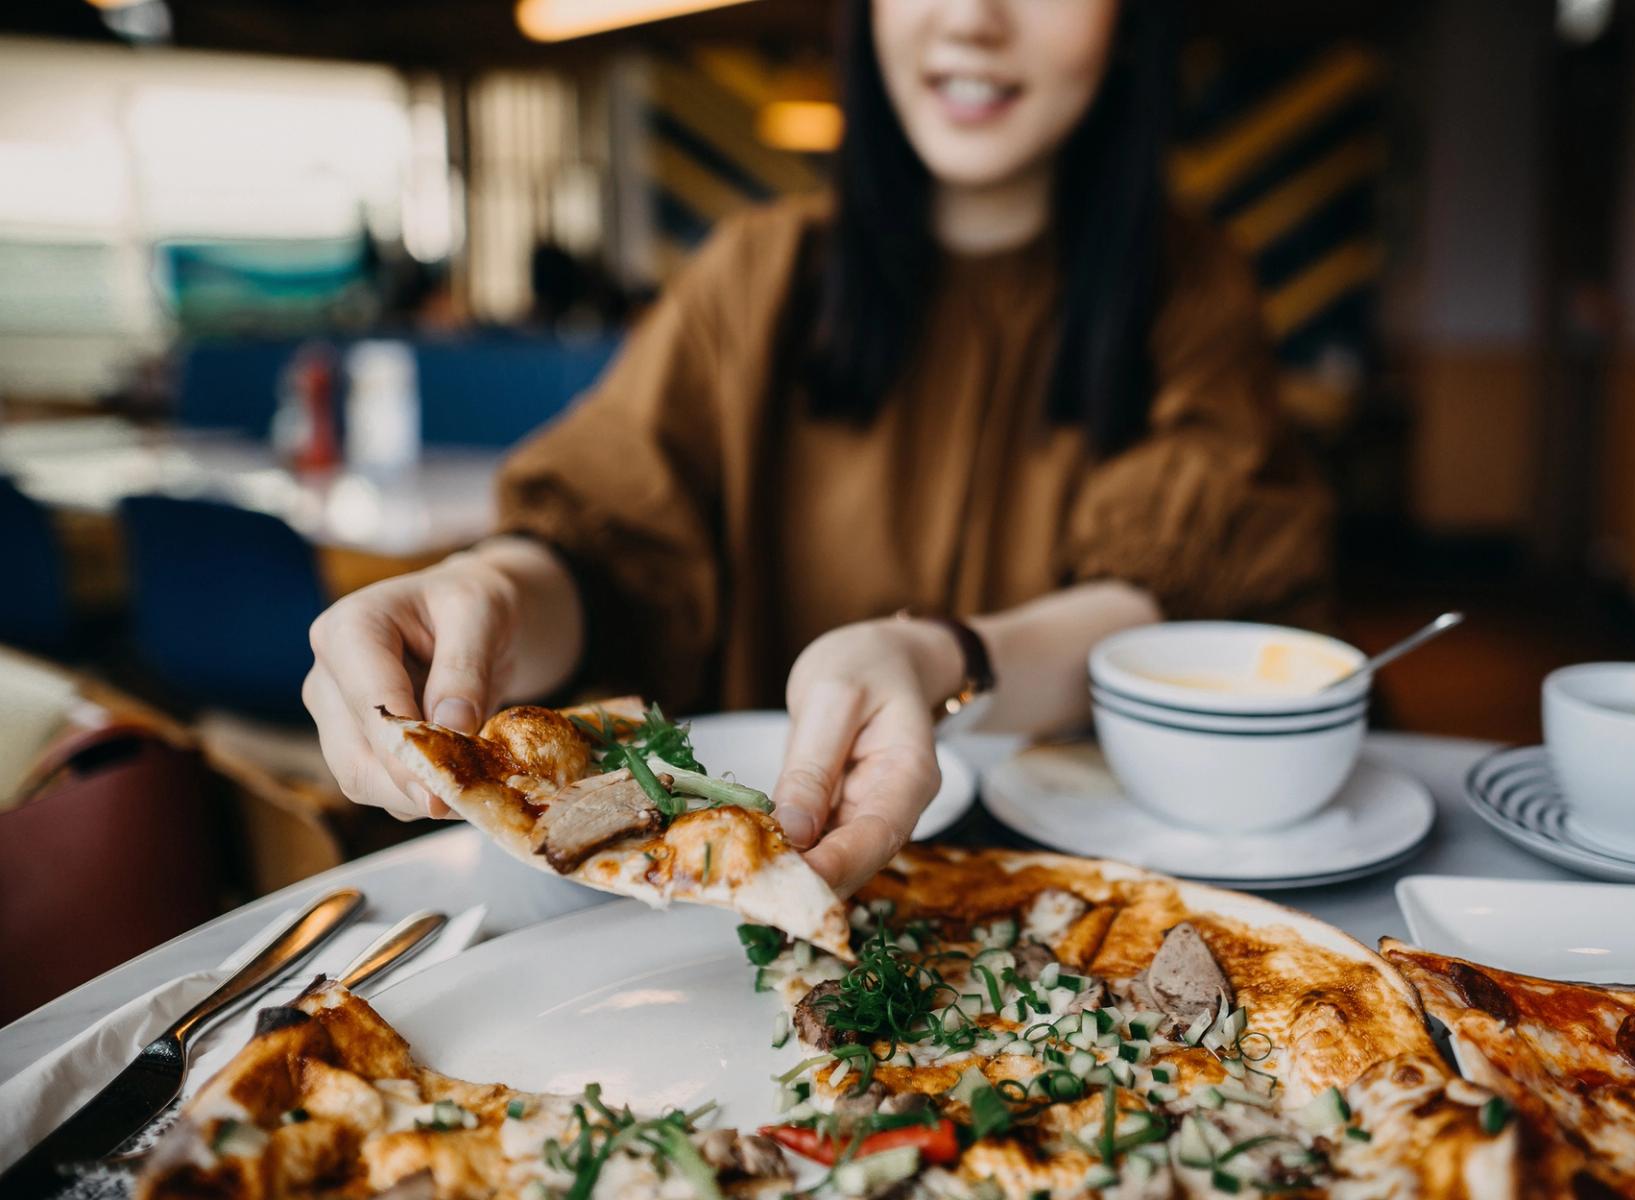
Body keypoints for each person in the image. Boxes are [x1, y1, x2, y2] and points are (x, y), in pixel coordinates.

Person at [303, 0, 1332, 896]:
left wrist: (938, 659)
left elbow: (1176, 602)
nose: (971, 15)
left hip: (1083, 903)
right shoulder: (758, 277)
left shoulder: (1191, 287)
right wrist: (487, 598)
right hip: (736, 933)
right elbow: (612, 554)